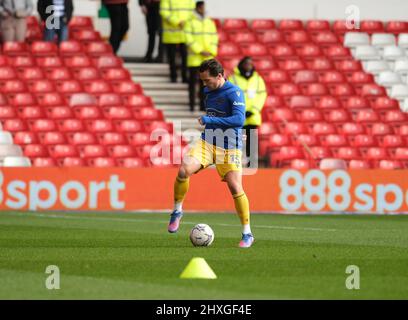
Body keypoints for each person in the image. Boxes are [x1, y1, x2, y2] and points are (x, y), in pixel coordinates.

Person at [168, 59, 255, 248]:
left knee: (235, 186)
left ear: (219, 76)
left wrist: (209, 119)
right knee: (184, 171)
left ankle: (247, 233)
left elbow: (239, 119)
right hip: (207, 142)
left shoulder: (235, 92)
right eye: (202, 81)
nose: (204, 85)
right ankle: (177, 211)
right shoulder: (208, 90)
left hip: (230, 147)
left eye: (207, 80)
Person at [229, 56, 267, 167]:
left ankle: (251, 164)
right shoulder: (233, 78)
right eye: (246, 64)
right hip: (238, 115)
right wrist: (239, 110)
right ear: (241, 65)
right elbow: (230, 95)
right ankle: (236, 164)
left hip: (252, 115)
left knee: (252, 141)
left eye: (250, 64)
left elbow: (262, 95)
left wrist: (254, 110)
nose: (248, 66)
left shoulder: (258, 79)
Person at [184, 1, 218, 112]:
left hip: (207, 60)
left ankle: (203, 106)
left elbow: (214, 38)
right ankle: (191, 106)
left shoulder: (210, 22)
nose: (204, 9)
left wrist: (211, 51)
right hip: (194, 59)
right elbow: (188, 39)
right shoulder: (190, 22)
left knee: (205, 85)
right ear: (198, 8)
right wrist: (200, 51)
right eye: (202, 7)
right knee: (192, 84)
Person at [160, 0, 195, 83]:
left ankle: (184, 77)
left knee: (185, 57)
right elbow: (163, 11)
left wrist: (185, 22)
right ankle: (173, 76)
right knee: (172, 57)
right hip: (171, 33)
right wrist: (177, 22)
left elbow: (193, 12)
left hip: (184, 33)